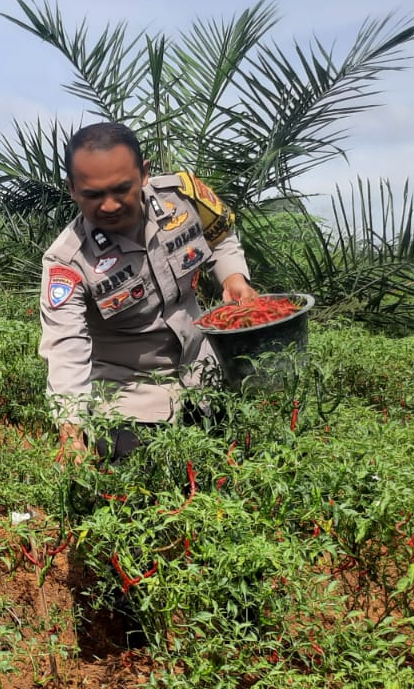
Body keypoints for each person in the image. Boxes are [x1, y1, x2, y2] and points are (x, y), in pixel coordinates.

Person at [39, 122, 258, 462]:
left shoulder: (182, 197)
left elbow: (221, 236)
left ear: (144, 174)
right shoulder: (68, 260)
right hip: (130, 395)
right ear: (72, 188)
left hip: (204, 373)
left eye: (121, 189)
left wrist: (233, 278)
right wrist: (71, 429)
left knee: (238, 461)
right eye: (93, 195)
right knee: (139, 484)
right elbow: (66, 347)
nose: (109, 206)